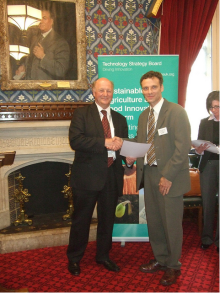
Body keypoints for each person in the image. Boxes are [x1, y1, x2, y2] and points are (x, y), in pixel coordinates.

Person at [126, 71, 191, 286]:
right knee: (154, 222)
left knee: (171, 224)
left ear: (161, 87)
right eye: (145, 88)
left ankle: (173, 266)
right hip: (149, 174)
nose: (149, 91)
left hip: (169, 177)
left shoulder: (176, 112)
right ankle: (161, 259)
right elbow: (142, 143)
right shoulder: (144, 115)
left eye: (153, 87)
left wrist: (168, 176)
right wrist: (122, 145)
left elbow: (183, 149)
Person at [67, 77, 128, 276]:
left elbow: (124, 147)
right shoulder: (82, 114)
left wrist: (129, 156)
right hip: (86, 177)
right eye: (101, 90)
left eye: (108, 91)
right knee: (81, 220)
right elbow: (75, 141)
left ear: (113, 93)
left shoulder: (120, 119)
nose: (105, 94)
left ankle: (103, 256)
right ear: (93, 92)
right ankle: (75, 258)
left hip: (112, 175)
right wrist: (105, 142)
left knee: (107, 220)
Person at [193, 91, 219, 252]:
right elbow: (199, 149)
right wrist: (199, 149)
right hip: (207, 165)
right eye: (212, 107)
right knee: (208, 203)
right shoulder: (204, 122)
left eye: (217, 106)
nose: (215, 110)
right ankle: (207, 238)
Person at [19, 9, 70, 80]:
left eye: (44, 18)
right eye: (39, 19)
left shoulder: (60, 42)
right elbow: (32, 62)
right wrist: (24, 67)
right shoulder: (35, 39)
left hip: (47, 89)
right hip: (31, 88)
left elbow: (61, 70)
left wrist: (43, 56)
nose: (41, 21)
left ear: (52, 21)